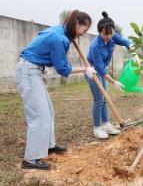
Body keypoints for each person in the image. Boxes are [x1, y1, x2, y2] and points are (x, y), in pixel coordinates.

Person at [14, 10, 96, 170]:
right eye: (84, 31)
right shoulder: (60, 39)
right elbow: (62, 69)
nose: (83, 35)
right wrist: (85, 69)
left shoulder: (59, 31)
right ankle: (30, 159)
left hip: (32, 71)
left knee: (49, 112)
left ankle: (48, 145)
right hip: (29, 72)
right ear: (77, 24)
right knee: (39, 116)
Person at [85, 11, 134, 139]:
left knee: (105, 98)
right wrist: (114, 81)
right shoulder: (95, 46)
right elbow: (100, 70)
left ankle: (106, 124)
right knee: (99, 99)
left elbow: (124, 41)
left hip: (101, 70)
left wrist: (131, 46)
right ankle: (97, 127)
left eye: (110, 33)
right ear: (99, 32)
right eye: (105, 34)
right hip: (93, 71)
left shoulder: (112, 36)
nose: (108, 36)